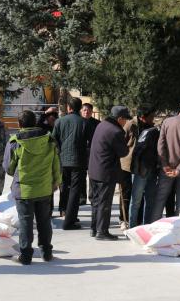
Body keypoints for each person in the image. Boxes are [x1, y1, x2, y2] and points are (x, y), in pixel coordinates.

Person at [3, 110, 61, 265]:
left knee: (25, 223)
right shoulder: (49, 139)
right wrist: (56, 182)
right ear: (35, 122)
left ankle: (26, 256)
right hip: (44, 188)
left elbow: (8, 168)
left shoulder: (15, 142)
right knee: (44, 221)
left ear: (19, 124)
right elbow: (56, 163)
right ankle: (47, 253)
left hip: (24, 190)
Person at [88, 106, 130, 240]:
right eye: (125, 119)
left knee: (96, 201)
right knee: (104, 203)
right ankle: (102, 232)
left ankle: (94, 229)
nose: (126, 122)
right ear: (120, 118)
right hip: (105, 172)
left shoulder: (102, 125)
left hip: (94, 169)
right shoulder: (116, 131)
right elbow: (123, 152)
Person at [52, 97, 87, 230]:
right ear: (80, 108)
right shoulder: (83, 122)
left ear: (69, 108)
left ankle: (64, 211)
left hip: (62, 160)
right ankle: (70, 219)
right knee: (75, 190)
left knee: (65, 187)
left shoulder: (59, 121)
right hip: (78, 161)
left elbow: (53, 140)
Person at [128, 106, 159, 227]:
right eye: (151, 117)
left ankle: (147, 226)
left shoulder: (154, 130)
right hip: (140, 169)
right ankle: (132, 227)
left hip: (152, 169)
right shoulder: (132, 125)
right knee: (136, 200)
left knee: (150, 200)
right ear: (142, 117)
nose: (153, 119)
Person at [118, 109, 138, 230]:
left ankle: (133, 218)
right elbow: (121, 141)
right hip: (126, 164)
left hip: (138, 165)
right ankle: (123, 219)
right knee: (125, 193)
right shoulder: (130, 124)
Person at [80, 103, 100, 206]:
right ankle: (81, 198)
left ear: (92, 112)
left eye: (88, 110)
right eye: (84, 110)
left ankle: (93, 197)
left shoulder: (97, 123)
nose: (86, 112)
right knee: (81, 176)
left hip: (93, 153)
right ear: (81, 111)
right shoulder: (78, 122)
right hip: (81, 152)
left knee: (92, 176)